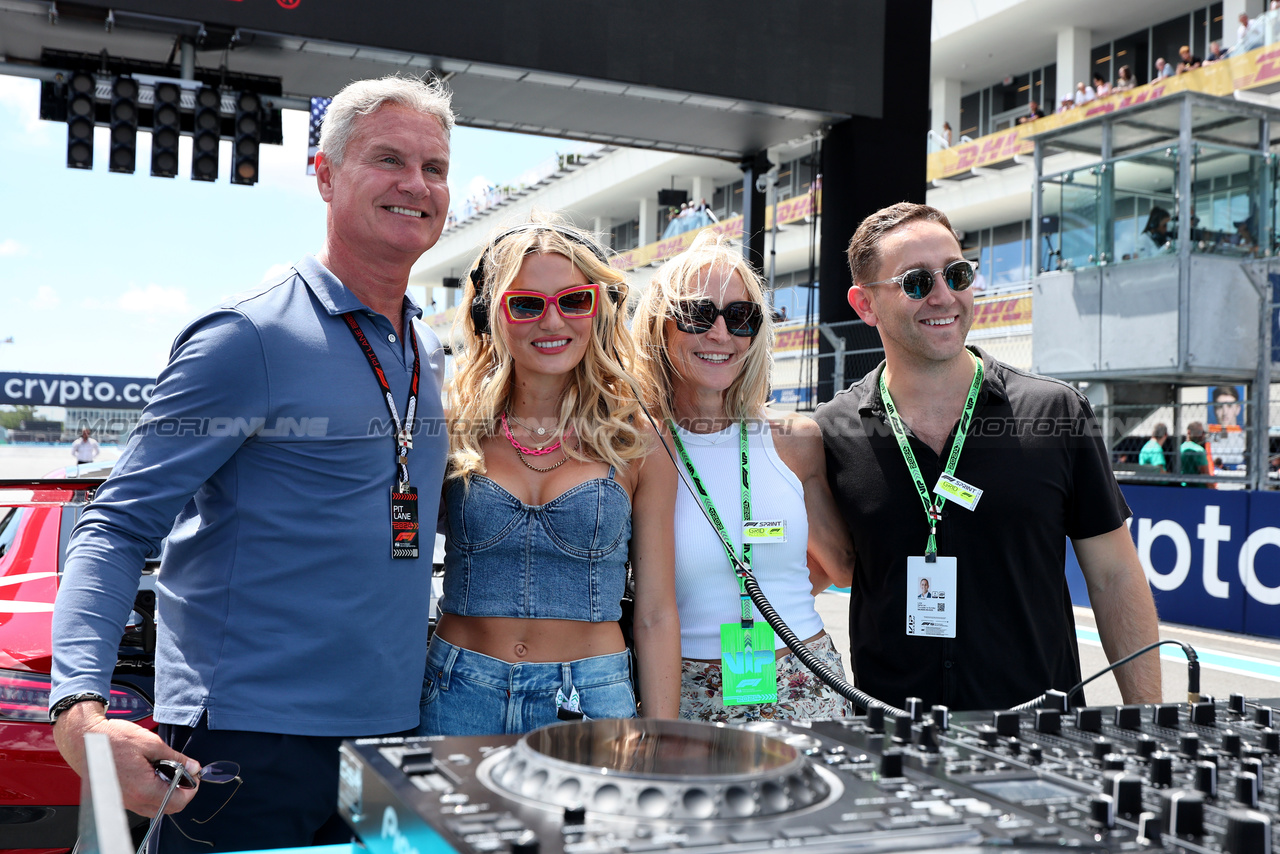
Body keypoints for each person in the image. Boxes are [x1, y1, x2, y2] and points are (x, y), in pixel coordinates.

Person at [50, 75, 455, 852]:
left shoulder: (426, 349)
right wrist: (79, 709)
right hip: (247, 747)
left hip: (391, 743)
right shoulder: (247, 337)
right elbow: (115, 525)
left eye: (434, 168)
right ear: (326, 175)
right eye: (389, 160)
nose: (416, 184)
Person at [815, 202, 1162, 712]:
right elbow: (808, 573)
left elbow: (1114, 577)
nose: (944, 296)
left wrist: (1150, 721)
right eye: (915, 282)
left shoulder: (1056, 411)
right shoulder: (830, 432)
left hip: (1039, 737)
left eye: (957, 274)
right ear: (865, 305)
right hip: (890, 740)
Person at [418, 216, 680, 736]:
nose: (553, 321)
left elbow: (654, 612)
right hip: (457, 690)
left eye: (573, 300)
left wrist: (663, 739)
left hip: (591, 694)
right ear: (490, 314)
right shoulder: (450, 427)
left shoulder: (640, 438)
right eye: (527, 303)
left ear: (598, 308)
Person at [632, 232, 855, 724]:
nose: (721, 334)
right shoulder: (635, 446)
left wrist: (759, 599)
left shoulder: (794, 439)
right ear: (658, 327)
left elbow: (840, 567)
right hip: (683, 692)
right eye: (696, 314)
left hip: (804, 683)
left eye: (740, 317)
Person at [1182, 422, 1211, 487]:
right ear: (1189, 432)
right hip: (1198, 489)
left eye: (1202, 432)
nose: (1202, 435)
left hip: (1183, 487)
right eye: (1199, 432)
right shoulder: (1199, 450)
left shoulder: (1180, 449)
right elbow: (1206, 474)